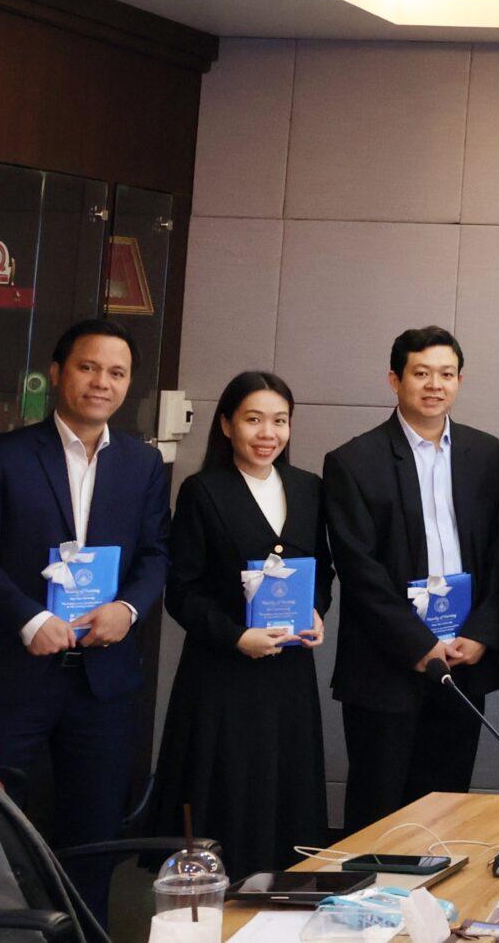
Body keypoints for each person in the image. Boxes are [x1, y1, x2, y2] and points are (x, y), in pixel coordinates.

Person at [0, 318, 169, 919]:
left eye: (116, 372)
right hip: (14, 672)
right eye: (88, 367)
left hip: (103, 679)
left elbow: (157, 555)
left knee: (94, 832)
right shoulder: (1, 456)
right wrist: (29, 619)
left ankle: (86, 930)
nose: (102, 382)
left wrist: (128, 608)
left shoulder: (143, 464)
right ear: (57, 373)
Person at [323, 327, 499, 831]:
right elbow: (359, 570)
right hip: (385, 663)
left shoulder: (490, 456)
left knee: (447, 808)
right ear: (395, 379)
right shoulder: (353, 462)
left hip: (464, 658)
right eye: (421, 373)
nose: (434, 385)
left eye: (446, 374)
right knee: (380, 811)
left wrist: (481, 633)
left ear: (459, 381)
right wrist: (418, 643)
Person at [147, 371, 332, 876]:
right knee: (227, 796)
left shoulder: (309, 488)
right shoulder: (202, 491)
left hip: (288, 673)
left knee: (286, 795)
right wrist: (236, 637)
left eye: (280, 421)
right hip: (222, 675)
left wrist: (316, 610)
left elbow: (322, 571)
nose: (267, 433)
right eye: (253, 420)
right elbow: (181, 590)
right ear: (227, 425)